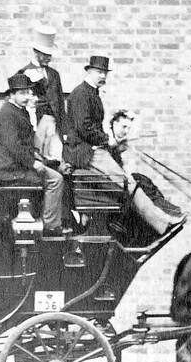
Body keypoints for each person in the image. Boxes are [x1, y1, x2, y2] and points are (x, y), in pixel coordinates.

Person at [64, 56, 181, 236]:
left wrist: (111, 143)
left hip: (92, 150)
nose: (102, 76)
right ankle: (162, 223)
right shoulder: (81, 94)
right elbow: (84, 127)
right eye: (99, 72)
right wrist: (106, 139)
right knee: (128, 183)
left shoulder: (91, 93)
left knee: (130, 181)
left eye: (104, 73)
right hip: (83, 153)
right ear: (88, 71)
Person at [0, 73, 65, 234]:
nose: (26, 96)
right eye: (21, 93)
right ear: (11, 95)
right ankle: (50, 226)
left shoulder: (19, 110)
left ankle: (49, 219)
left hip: (17, 165)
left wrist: (37, 156)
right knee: (56, 180)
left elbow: (25, 142)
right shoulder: (7, 114)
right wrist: (33, 163)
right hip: (9, 169)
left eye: (28, 92)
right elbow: (13, 146)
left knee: (56, 169)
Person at [107, 110, 182, 218]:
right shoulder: (106, 138)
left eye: (128, 128)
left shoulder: (114, 139)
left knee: (145, 181)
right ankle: (168, 213)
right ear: (115, 124)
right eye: (124, 127)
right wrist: (115, 146)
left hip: (117, 180)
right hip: (111, 184)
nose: (126, 131)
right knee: (142, 183)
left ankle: (167, 211)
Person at [19, 25, 66, 168]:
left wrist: (64, 130)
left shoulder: (54, 75)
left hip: (55, 128)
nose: (48, 58)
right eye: (45, 55)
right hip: (37, 128)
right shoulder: (23, 74)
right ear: (36, 52)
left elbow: (60, 104)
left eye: (50, 55)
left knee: (56, 161)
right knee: (40, 162)